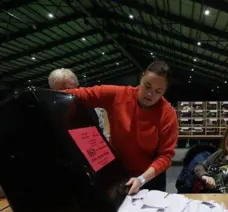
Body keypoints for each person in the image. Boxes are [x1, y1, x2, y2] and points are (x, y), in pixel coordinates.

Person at [64, 61, 178, 194]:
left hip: (150, 177)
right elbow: (83, 94)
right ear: (142, 78)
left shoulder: (168, 114)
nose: (150, 94)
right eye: (147, 86)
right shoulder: (119, 95)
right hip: (119, 173)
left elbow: (165, 155)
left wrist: (142, 179)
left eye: (158, 91)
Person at [48, 68, 107, 137]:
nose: (67, 94)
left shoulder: (93, 108)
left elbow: (102, 132)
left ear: (77, 85)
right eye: (61, 91)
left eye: (70, 90)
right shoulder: (49, 112)